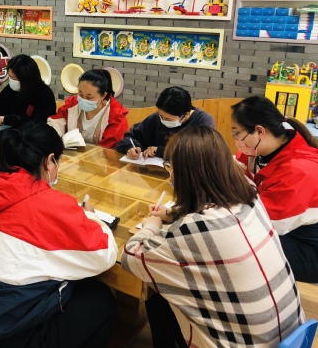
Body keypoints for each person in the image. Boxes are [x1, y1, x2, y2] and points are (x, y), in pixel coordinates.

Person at [0, 122, 118, 348]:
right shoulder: (50, 205)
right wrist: (90, 217)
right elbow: (104, 255)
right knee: (101, 298)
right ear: (50, 160)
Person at [122, 126, 303, 347]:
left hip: (246, 342)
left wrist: (150, 226)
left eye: (171, 167)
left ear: (184, 175)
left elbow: (131, 256)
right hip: (292, 335)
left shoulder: (193, 229)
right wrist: (173, 214)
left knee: (157, 291)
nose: (170, 174)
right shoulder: (249, 194)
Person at [231, 95, 318, 283]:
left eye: (237, 133)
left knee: (237, 244)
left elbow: (265, 224)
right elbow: (236, 167)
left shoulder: (299, 170)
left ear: (259, 131)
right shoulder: (262, 150)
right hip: (293, 231)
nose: (236, 139)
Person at [116, 86, 214, 159]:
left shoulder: (203, 121)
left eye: (168, 119)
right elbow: (131, 136)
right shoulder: (157, 118)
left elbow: (199, 154)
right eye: (160, 116)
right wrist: (130, 147)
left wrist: (159, 151)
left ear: (185, 114)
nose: (162, 120)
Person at [47, 68, 128, 148]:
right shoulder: (72, 105)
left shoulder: (116, 116)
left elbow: (109, 148)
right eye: (80, 94)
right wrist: (53, 135)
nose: (83, 99)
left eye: (89, 97)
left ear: (103, 95)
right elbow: (57, 122)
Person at [0, 54, 56, 128]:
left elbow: (37, 122)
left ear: (26, 79)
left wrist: (7, 119)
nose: (12, 81)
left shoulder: (44, 94)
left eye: (14, 78)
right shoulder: (11, 89)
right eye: (10, 76)